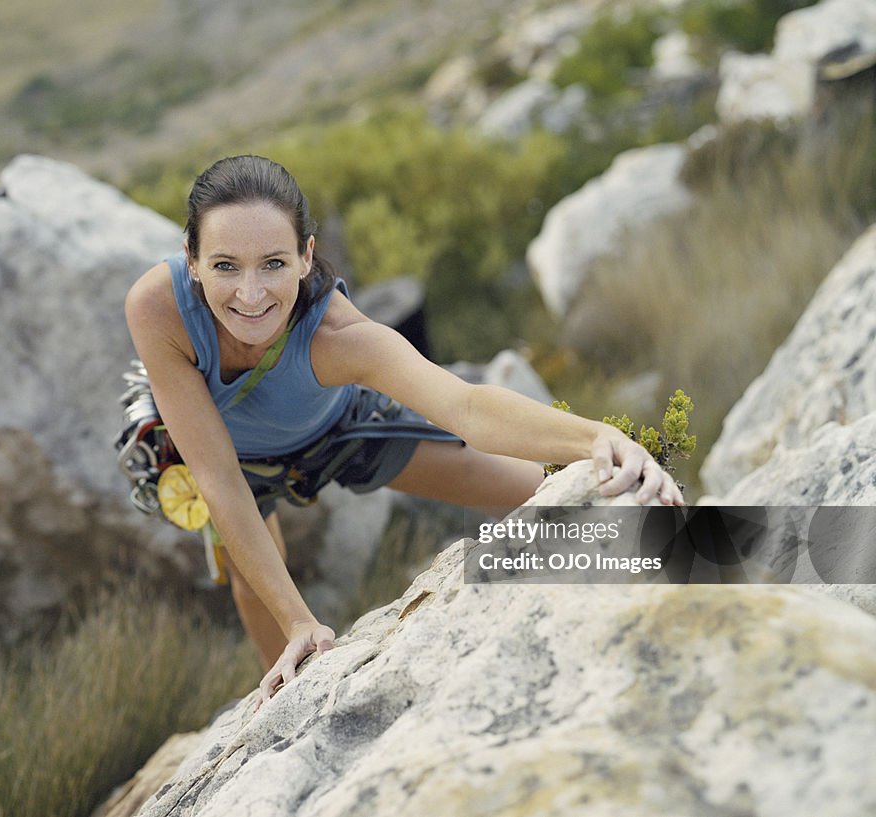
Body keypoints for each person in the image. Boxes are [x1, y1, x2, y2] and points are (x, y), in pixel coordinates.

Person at [124, 155, 684, 706]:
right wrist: (300, 622)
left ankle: (707, 553)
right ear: (191, 261)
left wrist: (597, 439)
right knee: (255, 582)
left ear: (305, 256)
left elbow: (466, 408)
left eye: (273, 263)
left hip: (343, 427)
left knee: (541, 488)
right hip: (238, 459)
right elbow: (220, 478)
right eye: (225, 266)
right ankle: (292, 709)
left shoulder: (342, 339)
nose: (250, 294)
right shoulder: (157, 309)